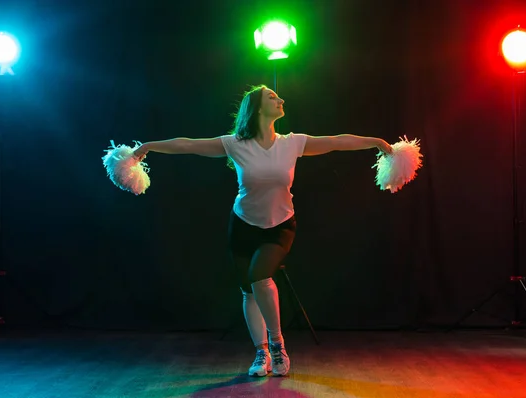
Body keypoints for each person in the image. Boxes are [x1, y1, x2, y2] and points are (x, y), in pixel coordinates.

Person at [133, 84, 393, 377]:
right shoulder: (234, 144)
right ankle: (261, 353)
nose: (280, 99)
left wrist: (375, 141)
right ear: (256, 108)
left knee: (260, 275)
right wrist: (149, 146)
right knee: (248, 290)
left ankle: (278, 346)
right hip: (243, 225)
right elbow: (187, 144)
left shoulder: (293, 143)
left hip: (280, 226)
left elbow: (335, 141)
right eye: (272, 97)